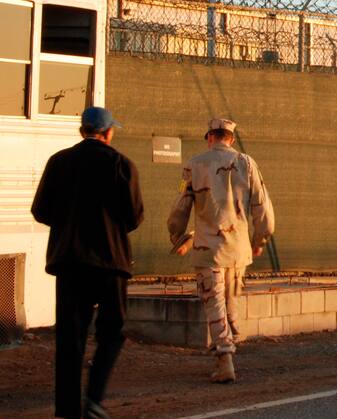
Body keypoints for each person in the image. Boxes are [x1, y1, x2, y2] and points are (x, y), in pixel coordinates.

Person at [31, 106, 144, 419]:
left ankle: (67, 409)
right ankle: (94, 399)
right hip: (111, 263)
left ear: (82, 130)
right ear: (107, 132)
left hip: (69, 262)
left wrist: (68, 224)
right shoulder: (122, 164)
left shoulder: (59, 162)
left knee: (70, 336)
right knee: (111, 331)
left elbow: (41, 210)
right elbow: (134, 216)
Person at [168, 118, 275, 384]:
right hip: (238, 250)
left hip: (208, 249)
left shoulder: (194, 165)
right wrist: (259, 240)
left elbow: (180, 205)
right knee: (230, 300)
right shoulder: (248, 164)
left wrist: (176, 233)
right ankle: (231, 339)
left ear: (210, 137)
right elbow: (263, 209)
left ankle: (225, 359)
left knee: (214, 303)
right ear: (231, 138)